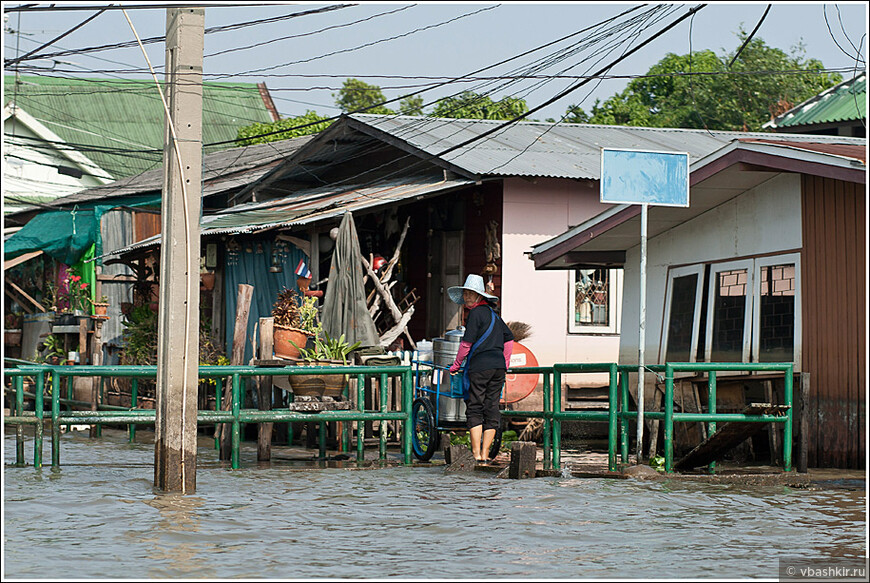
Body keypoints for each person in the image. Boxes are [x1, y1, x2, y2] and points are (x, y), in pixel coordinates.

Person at [447, 274, 514, 463]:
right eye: (466, 293)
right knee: (492, 407)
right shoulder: (495, 316)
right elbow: (509, 340)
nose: (467, 297)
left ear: (479, 296)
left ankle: (476, 454)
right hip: (497, 368)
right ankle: (486, 454)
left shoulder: (475, 314)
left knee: (475, 406)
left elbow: (466, 345)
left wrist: (456, 365)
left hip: (480, 367)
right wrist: (505, 363)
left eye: (470, 293)